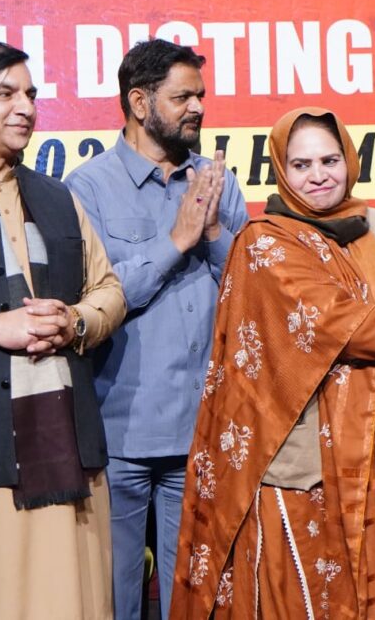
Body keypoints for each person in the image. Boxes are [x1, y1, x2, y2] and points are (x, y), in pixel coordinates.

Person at [170, 107, 375, 619]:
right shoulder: (265, 242)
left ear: (349, 159)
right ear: (281, 170)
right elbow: (339, 321)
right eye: (301, 165)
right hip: (305, 466)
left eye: (330, 160)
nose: (318, 175)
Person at [0, 42, 126, 619]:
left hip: (68, 454)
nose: (26, 108)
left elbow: (109, 290)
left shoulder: (58, 198)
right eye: (5, 94)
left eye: (31, 94)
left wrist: (75, 321)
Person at [66, 39, 249, 619]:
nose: (198, 107)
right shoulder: (86, 188)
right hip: (120, 430)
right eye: (182, 97)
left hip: (202, 427)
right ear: (139, 102)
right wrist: (175, 242)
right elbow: (93, 299)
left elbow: (252, 291)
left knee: (191, 597)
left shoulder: (217, 182)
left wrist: (212, 232)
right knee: (113, 597)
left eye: (201, 95)